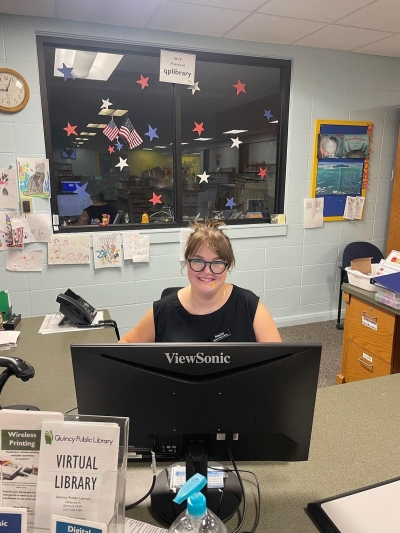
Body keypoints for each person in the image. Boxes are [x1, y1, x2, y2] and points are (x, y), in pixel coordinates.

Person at [120, 219, 282, 343]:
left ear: (227, 266)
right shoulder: (163, 311)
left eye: (217, 263)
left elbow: (279, 362)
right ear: (187, 262)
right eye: (198, 261)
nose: (207, 271)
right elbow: (125, 344)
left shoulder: (249, 307)